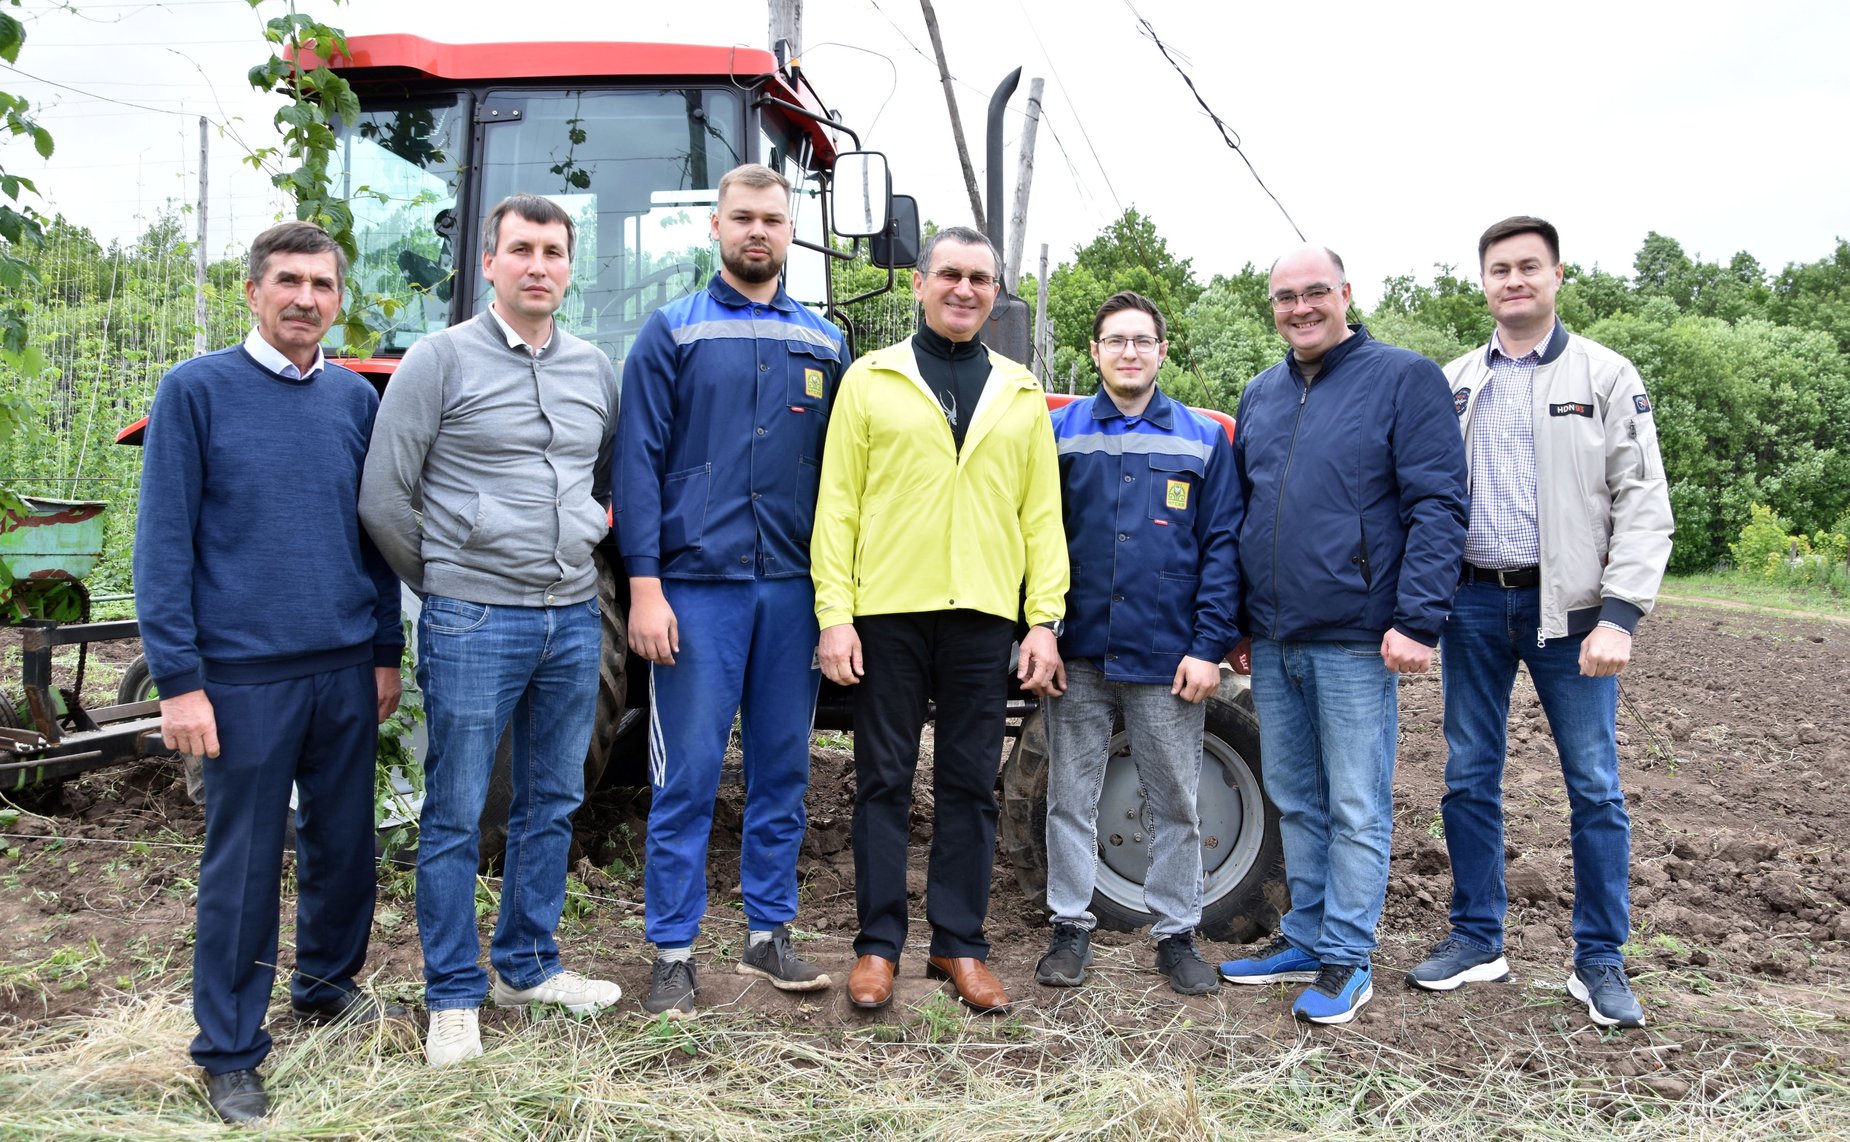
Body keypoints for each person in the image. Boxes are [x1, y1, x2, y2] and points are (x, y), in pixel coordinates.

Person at [134, 221, 406, 1123]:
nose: (305, 299)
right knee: (244, 864)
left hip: (341, 669)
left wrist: (382, 652)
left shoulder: (352, 402)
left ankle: (327, 983)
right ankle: (230, 1049)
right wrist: (178, 680)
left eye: (323, 285)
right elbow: (164, 546)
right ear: (253, 291)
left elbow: (374, 542)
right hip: (243, 677)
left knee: (343, 845)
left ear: (338, 299)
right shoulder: (196, 392)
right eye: (288, 281)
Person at [360, 193, 622, 1065]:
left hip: (573, 616)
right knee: (458, 811)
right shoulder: (439, 361)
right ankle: (453, 994)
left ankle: (529, 965)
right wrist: (443, 583)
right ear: (490, 262)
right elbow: (385, 498)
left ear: (569, 266)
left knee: (551, 801)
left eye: (553, 250)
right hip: (475, 617)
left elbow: (603, 480)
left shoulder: (594, 368)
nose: (538, 264)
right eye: (521, 249)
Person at [1406, 216, 1673, 1029]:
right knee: (1467, 775)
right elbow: (1425, 499)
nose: (1514, 280)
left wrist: (1620, 616)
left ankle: (1598, 961)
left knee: (1592, 786)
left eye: (1529, 267)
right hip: (1475, 604)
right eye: (1500, 269)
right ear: (1483, 283)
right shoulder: (1454, 381)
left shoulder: (1605, 374)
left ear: (1558, 276)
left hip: (1573, 615)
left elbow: (1643, 500)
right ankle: (1479, 938)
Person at [811, 226, 1067, 1014]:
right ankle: (878, 948)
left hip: (983, 616)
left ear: (996, 293)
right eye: (949, 274)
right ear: (919, 284)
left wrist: (1043, 620)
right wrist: (835, 615)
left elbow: (1040, 516)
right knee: (883, 780)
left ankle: (959, 945)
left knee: (967, 785)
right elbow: (839, 505)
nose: (965, 289)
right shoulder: (872, 378)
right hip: (887, 611)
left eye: (981, 279)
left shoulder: (1019, 390)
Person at [617, 163, 848, 1017]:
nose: (759, 232)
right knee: (689, 776)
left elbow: (843, 478)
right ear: (715, 227)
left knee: (785, 768)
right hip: (695, 589)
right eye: (743, 218)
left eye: (774, 221)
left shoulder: (825, 343)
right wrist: (646, 586)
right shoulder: (669, 333)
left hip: (791, 591)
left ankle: (767, 936)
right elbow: (635, 465)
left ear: (790, 233)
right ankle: (673, 948)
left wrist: (837, 603)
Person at [1217, 246, 1468, 1025]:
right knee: (1294, 795)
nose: (1300, 308)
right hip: (1278, 637)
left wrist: (1416, 619)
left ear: (1346, 294)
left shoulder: (1403, 378)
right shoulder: (1261, 394)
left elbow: (1439, 504)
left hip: (1360, 637)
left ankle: (1347, 956)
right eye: (1285, 297)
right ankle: (1305, 934)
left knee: (1356, 802)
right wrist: (1241, 622)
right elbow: (1246, 516)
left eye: (1315, 292)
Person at [1035, 291, 1243, 996]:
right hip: (1078, 653)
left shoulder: (1201, 439)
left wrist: (1208, 646)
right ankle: (1069, 928)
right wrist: (1039, 633)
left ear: (1161, 351)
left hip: (1168, 656)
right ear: (1094, 353)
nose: (1128, 352)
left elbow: (1221, 550)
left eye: (1141, 341)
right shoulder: (1058, 436)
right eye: (1115, 341)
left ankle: (1176, 934)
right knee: (1069, 795)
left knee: (1176, 798)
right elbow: (1036, 537)